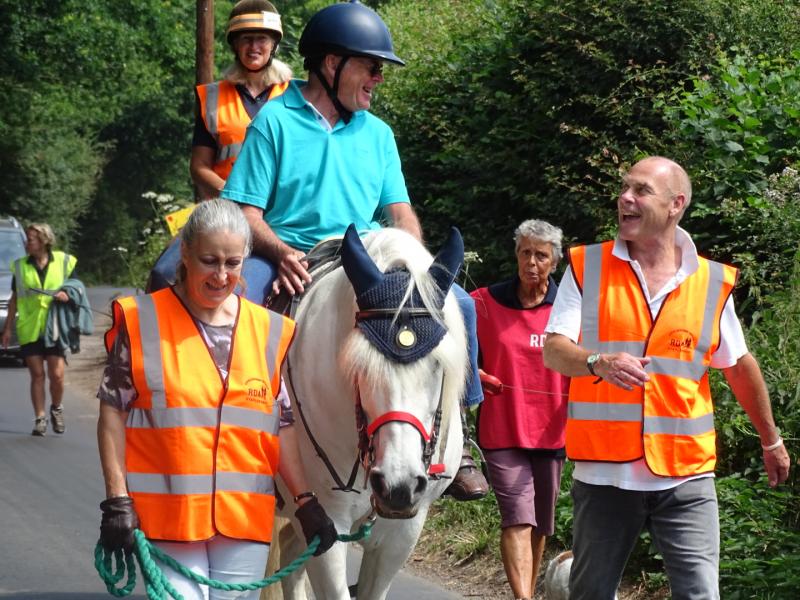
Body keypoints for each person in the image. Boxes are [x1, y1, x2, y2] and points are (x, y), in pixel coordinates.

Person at [221, 0, 488, 500]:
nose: (378, 79)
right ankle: (241, 439)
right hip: (292, 255)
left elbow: (401, 213)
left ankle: (463, 436)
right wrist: (280, 255)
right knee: (241, 310)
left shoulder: (379, 134)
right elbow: (246, 212)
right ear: (332, 64)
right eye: (371, 67)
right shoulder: (274, 122)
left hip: (367, 262)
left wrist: (420, 266)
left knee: (463, 306)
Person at [542, 156, 791, 599]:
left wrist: (770, 440)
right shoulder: (587, 266)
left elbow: (737, 365)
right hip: (604, 479)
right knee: (590, 594)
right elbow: (555, 350)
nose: (625, 198)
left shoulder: (712, 281)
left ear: (676, 204)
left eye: (640, 190)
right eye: (624, 189)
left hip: (686, 476)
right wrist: (597, 362)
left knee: (700, 594)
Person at [96, 200, 337, 600]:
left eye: (233, 263)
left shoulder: (270, 330)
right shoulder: (142, 321)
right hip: (167, 521)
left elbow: (282, 424)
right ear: (186, 254)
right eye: (209, 260)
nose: (221, 275)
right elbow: (112, 413)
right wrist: (116, 498)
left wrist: (304, 501)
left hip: (244, 519)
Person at [147, 0, 292, 300]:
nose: (254, 46)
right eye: (246, 39)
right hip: (225, 208)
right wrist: (236, 193)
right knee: (164, 273)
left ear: (274, 44)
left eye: (261, 39)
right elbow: (199, 166)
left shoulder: (294, 95)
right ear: (235, 45)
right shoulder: (212, 97)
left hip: (281, 209)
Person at [470, 219, 569, 600]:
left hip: (552, 432)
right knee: (517, 518)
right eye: (525, 252)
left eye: (541, 255)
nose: (532, 262)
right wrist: (474, 372)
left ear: (554, 262)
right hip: (502, 431)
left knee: (541, 525)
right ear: (515, 254)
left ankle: (525, 592)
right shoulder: (484, 302)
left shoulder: (567, 308)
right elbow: (454, 346)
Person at [2, 223, 76, 436]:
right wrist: (8, 329)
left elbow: (76, 287)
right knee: (37, 375)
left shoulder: (64, 261)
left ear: (44, 241)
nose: (27, 243)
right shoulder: (20, 266)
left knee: (57, 375)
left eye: (31, 239)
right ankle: (40, 418)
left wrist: (67, 294)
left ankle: (56, 408)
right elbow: (14, 299)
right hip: (30, 326)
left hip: (55, 326)